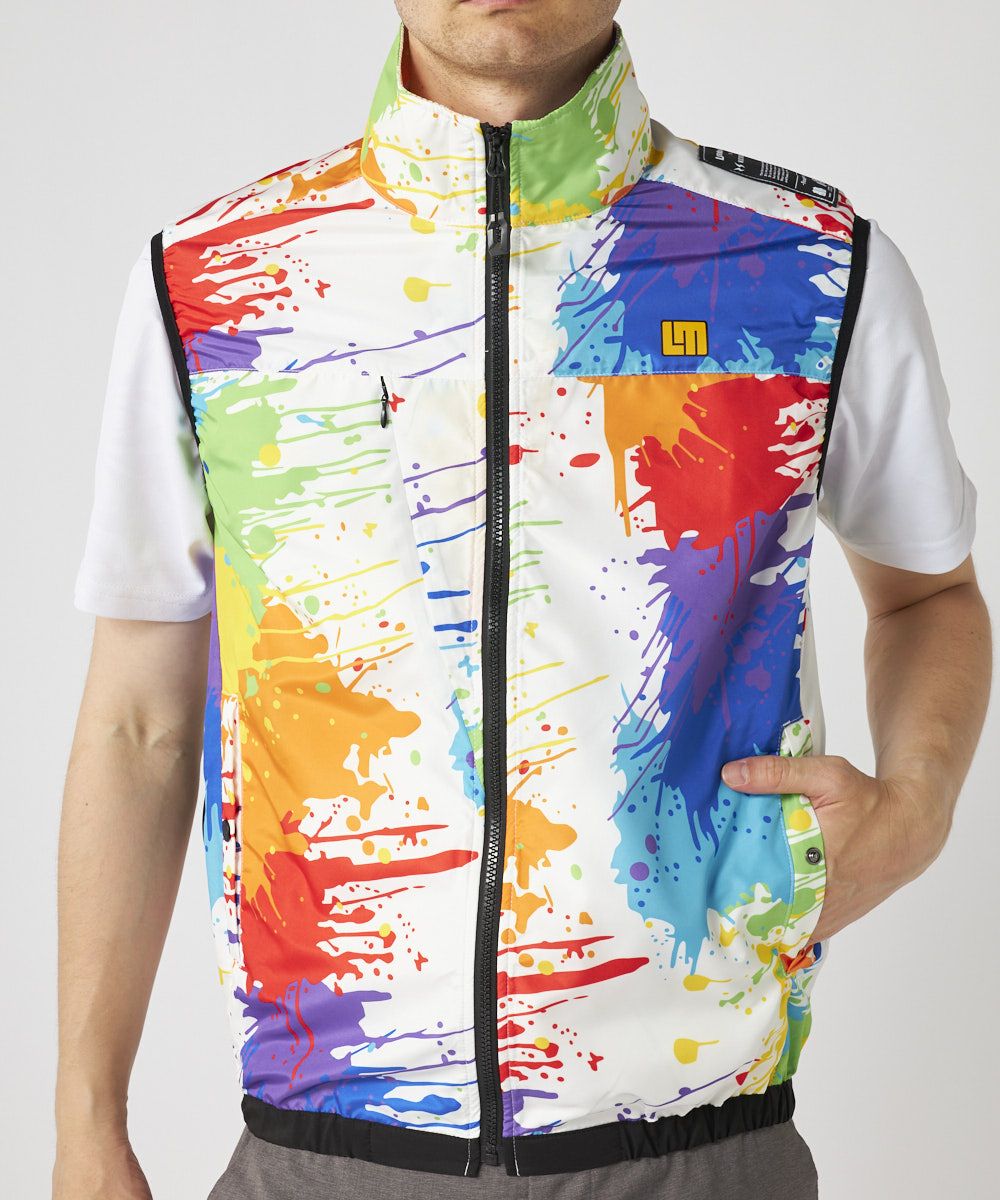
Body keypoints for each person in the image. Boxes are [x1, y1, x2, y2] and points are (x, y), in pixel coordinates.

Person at [53, 1, 991, 1198]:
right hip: (323, 1145)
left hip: (701, 1140)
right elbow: (138, 723)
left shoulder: (805, 263)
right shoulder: (215, 282)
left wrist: (917, 806)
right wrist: (87, 1126)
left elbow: (926, 595)